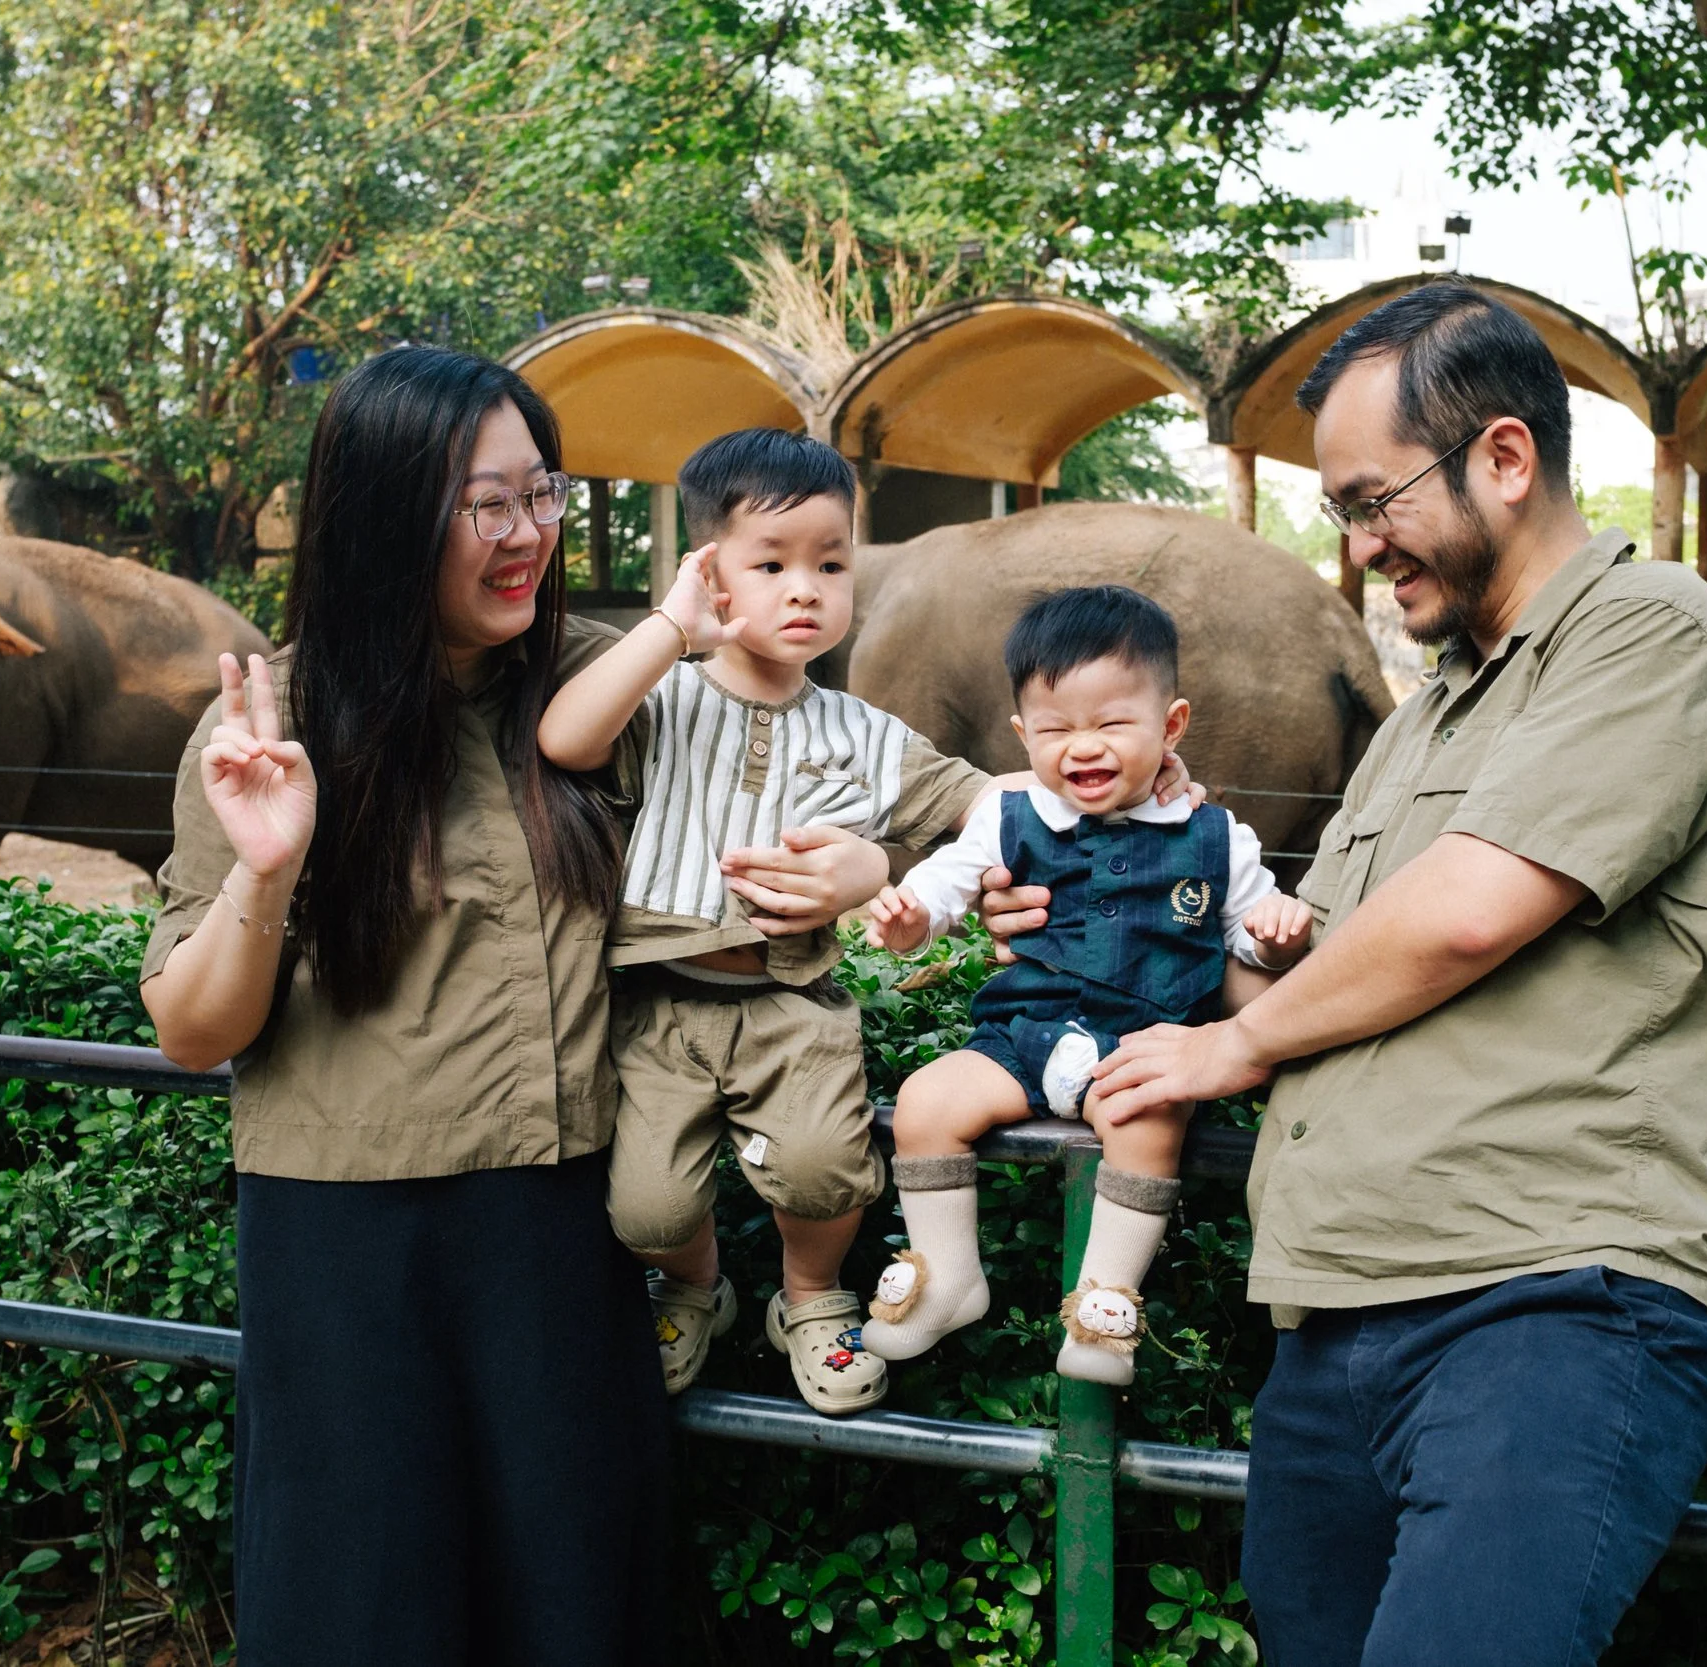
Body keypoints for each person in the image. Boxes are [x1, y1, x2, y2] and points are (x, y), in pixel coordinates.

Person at [1066, 284, 1707, 1664]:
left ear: (1505, 459)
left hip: (1553, 1297)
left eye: (1373, 499)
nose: (1355, 546)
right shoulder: (1426, 719)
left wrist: (1234, 1048)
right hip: (1337, 1309)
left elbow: (1469, 912)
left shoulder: (1653, 631)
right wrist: (1117, 893)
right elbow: (1309, 972)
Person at [139, 355, 890, 1665]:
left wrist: (866, 866)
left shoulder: (617, 687)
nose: (530, 531)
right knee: (363, 1610)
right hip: (347, 1241)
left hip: (563, 1228)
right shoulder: (279, 716)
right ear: (385, 514)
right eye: (486, 503)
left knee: (573, 1603)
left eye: (543, 492)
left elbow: (818, 781)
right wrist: (268, 864)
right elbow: (194, 1029)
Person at [537, 428, 996, 1415]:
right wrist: (671, 623)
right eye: (773, 562)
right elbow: (564, 739)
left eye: (831, 563)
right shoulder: (659, 696)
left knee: (827, 1172)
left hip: (792, 1002)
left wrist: (898, 870)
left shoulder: (866, 734)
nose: (806, 588)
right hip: (657, 1007)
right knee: (644, 1204)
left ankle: (810, 1295)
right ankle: (694, 1283)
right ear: (711, 572)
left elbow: (989, 806)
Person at [859, 586, 1311, 1384]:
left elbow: (1248, 930)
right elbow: (942, 885)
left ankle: (1105, 1302)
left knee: (1149, 1117)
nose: (1083, 747)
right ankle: (948, 1273)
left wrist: (1276, 938)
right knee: (928, 1101)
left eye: (1111, 724)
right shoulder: (1007, 812)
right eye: (1056, 728)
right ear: (1022, 732)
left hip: (1142, 1045)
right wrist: (909, 919)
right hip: (1019, 1037)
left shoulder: (1215, 834)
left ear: (1171, 726)